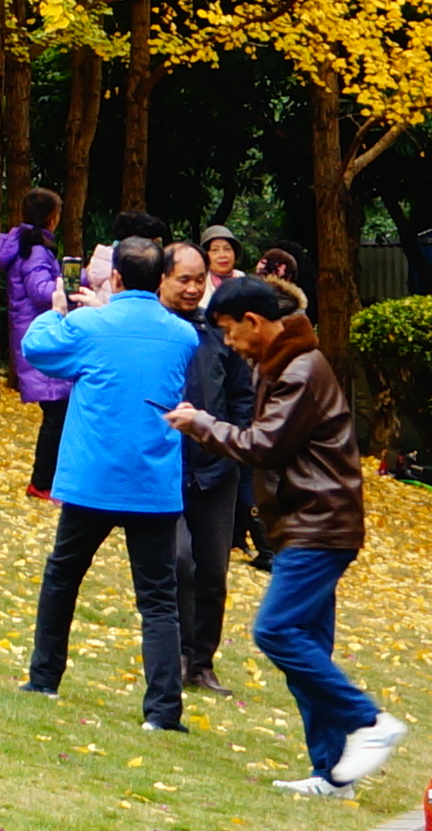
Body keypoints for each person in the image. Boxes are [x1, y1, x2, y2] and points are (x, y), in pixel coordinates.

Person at [186, 276, 402, 797]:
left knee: (277, 632)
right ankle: (333, 776)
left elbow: (265, 444)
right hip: (305, 523)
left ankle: (370, 723)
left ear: (255, 323)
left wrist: (199, 424)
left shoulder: (300, 369)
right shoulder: (282, 363)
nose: (230, 344)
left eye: (231, 332)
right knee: (309, 651)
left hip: (318, 524)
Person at [19, 233, 204, 734]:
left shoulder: (87, 325)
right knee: (157, 598)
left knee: (63, 575)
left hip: (93, 479)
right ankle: (164, 710)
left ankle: (44, 677)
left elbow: (37, 349)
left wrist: (59, 310)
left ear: (116, 277)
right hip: (151, 483)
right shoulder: (182, 335)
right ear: (161, 280)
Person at [169, 242, 256, 689]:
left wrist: (234, 445)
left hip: (218, 469)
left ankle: (202, 661)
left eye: (198, 279)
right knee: (179, 562)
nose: (192, 288)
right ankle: (179, 654)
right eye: (183, 278)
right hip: (166, 470)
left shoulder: (216, 334)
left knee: (213, 573)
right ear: (163, 279)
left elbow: (243, 395)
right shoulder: (159, 331)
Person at [0, 190, 71, 502]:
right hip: (44, 338)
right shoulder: (37, 251)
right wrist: (67, 285)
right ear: (50, 217)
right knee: (57, 413)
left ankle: (47, 481)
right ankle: (42, 482)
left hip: (33, 335)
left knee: (57, 413)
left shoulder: (27, 246)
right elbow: (41, 292)